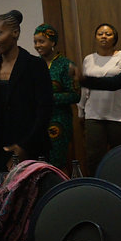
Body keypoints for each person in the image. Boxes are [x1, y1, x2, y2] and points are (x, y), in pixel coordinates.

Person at [0, 10, 53, 186]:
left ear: (15, 33)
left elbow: (44, 110)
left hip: (29, 148)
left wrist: (24, 146)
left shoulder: (35, 65)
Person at [78, 23, 121, 174]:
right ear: (95, 38)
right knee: (94, 157)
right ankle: (96, 186)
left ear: (115, 38)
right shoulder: (88, 59)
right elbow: (85, 87)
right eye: (100, 34)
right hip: (94, 115)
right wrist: (80, 110)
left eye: (108, 34)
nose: (104, 36)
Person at [32, 24, 79, 173]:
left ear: (52, 42)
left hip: (59, 120)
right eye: (35, 42)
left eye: (42, 41)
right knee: (38, 162)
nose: (37, 45)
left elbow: (75, 95)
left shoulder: (66, 65)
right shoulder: (33, 64)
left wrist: (49, 98)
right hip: (36, 120)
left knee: (57, 161)